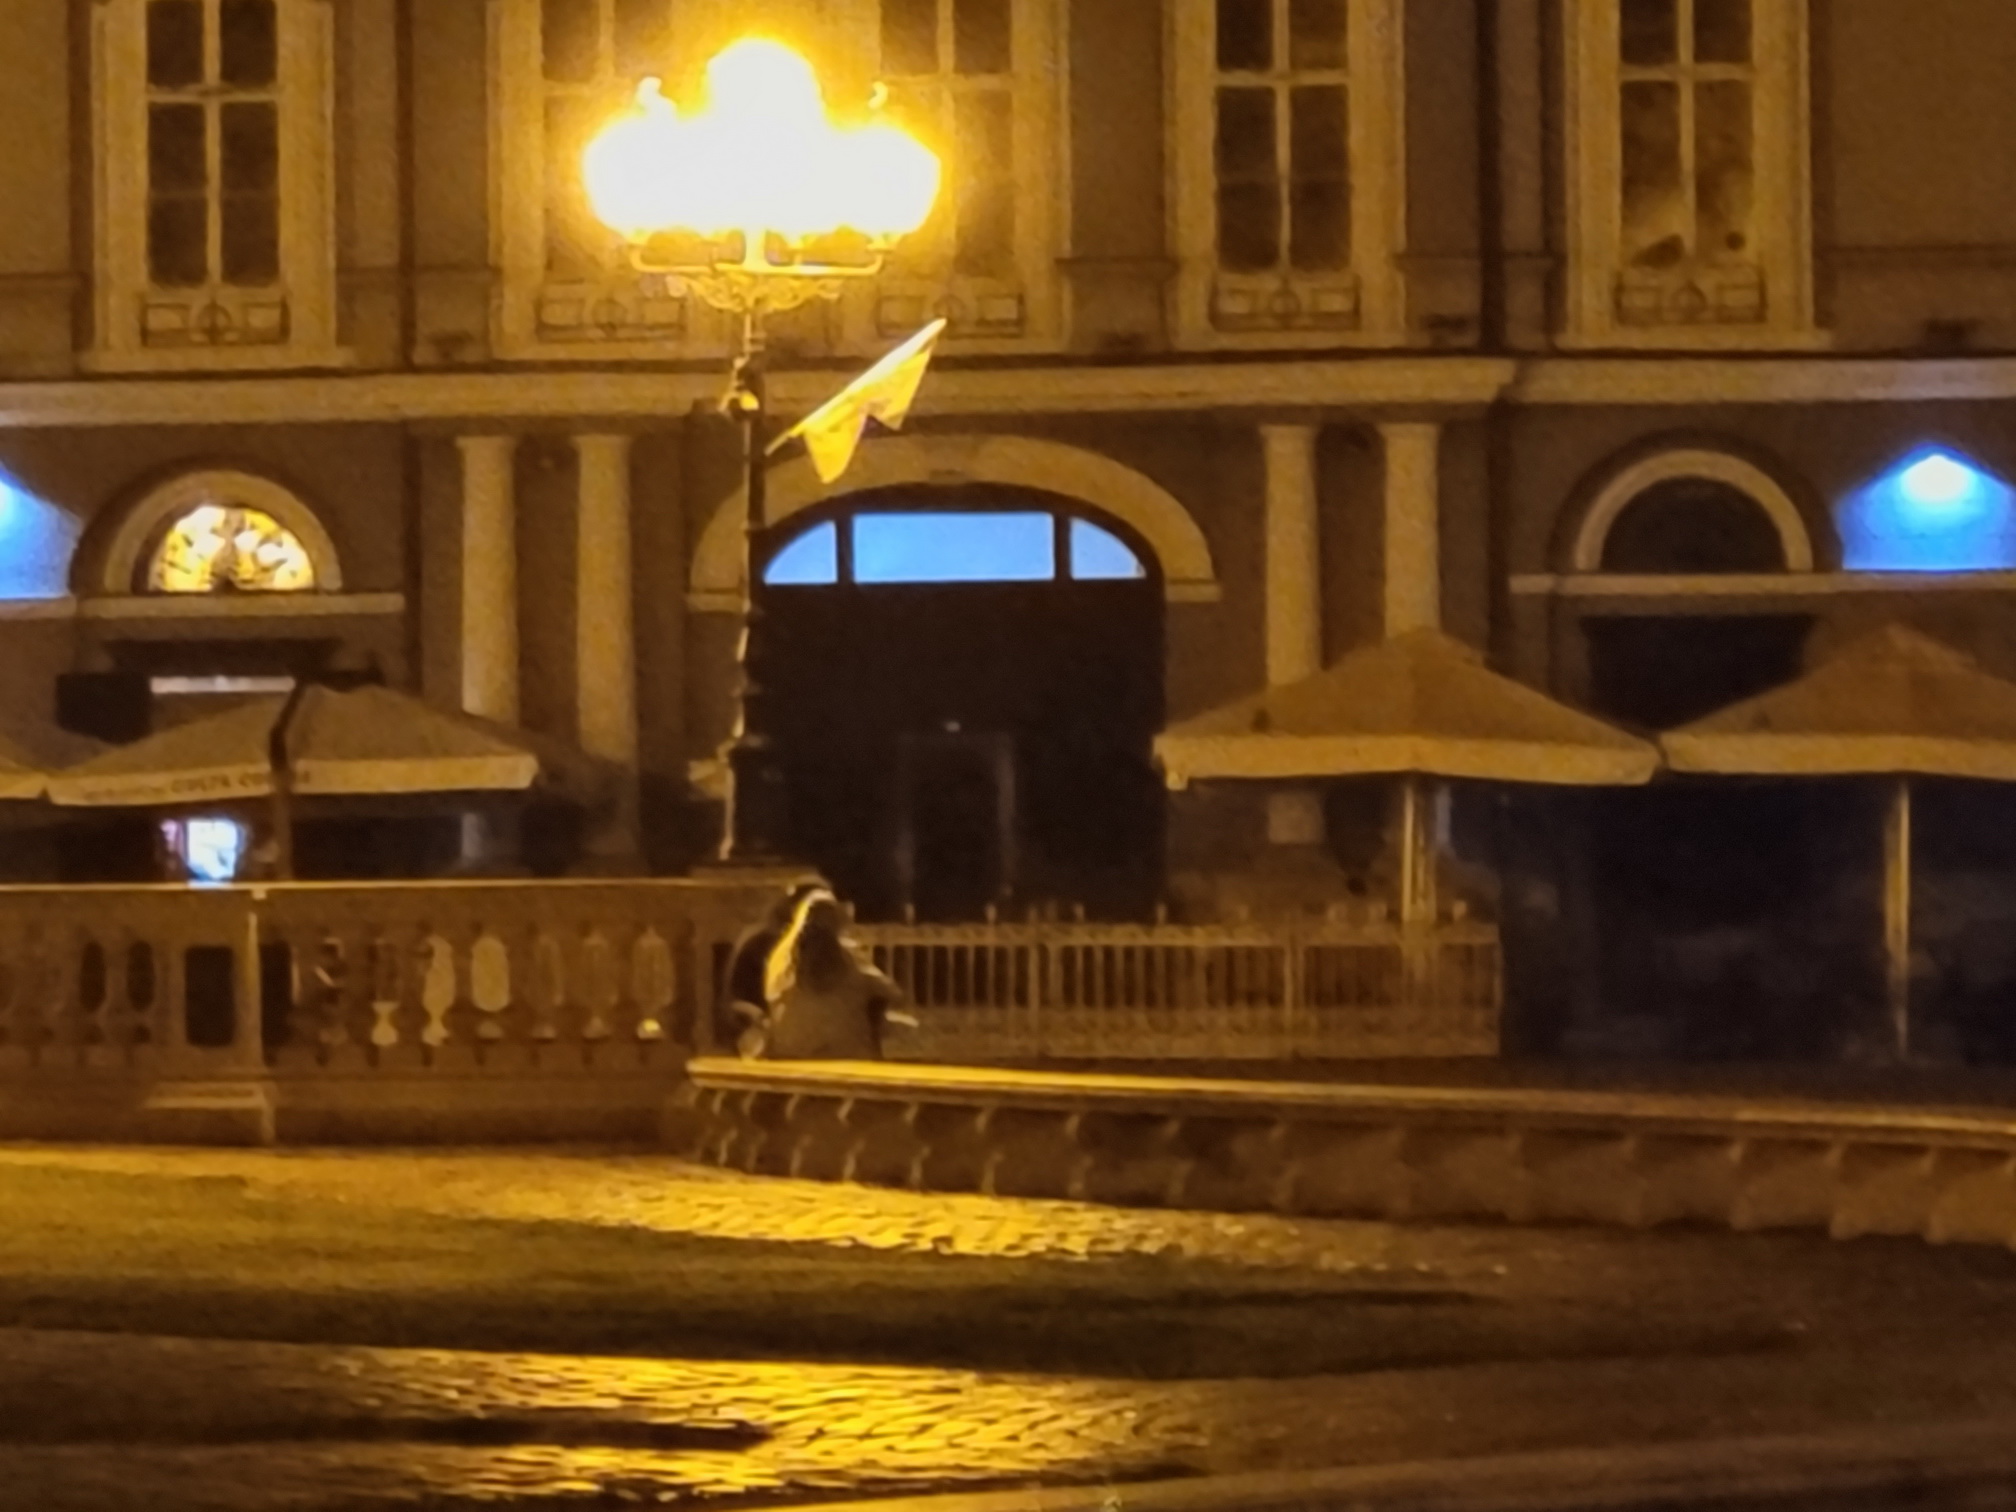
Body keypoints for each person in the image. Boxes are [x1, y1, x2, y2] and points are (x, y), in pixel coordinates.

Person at [757, 886, 910, 1060]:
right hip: (844, 1055)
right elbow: (894, 993)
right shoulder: (848, 959)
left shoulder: (780, 959)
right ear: (837, 924)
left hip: (790, 1053)